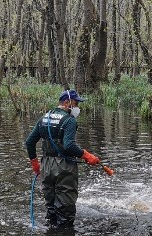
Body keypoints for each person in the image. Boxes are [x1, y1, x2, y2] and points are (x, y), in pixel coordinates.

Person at [25, 88, 102, 227]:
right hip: (64, 167)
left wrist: (35, 164)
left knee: (51, 207)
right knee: (66, 209)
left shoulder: (44, 118)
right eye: (76, 103)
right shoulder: (69, 120)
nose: (77, 107)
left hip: (46, 166)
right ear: (67, 103)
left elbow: (29, 142)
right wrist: (87, 155)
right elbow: (69, 146)